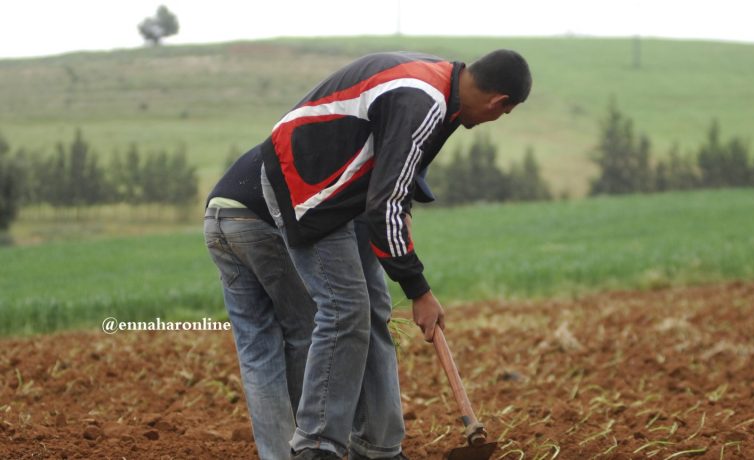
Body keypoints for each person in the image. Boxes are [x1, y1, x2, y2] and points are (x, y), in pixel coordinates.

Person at [260, 49, 532, 460]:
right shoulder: (424, 100)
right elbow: (383, 202)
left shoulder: (444, 89)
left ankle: (378, 447)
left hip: (344, 189)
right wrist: (419, 290)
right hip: (307, 185)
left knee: (373, 310)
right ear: (499, 103)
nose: (496, 119)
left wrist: (401, 215)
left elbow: (398, 175)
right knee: (345, 309)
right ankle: (316, 447)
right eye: (504, 114)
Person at [204, 145, 317, 460]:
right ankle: (307, 446)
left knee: (256, 349)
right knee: (305, 330)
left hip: (215, 218)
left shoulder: (298, 134)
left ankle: (278, 455)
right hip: (256, 221)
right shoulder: (340, 147)